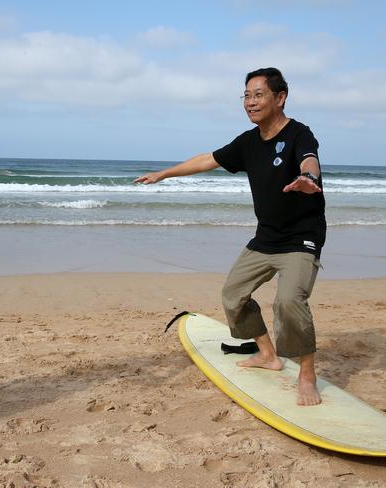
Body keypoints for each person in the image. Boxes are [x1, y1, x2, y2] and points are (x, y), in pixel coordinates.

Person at [135, 67, 325, 406]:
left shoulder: (299, 134)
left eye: (258, 95)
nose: (250, 102)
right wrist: (165, 173)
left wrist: (308, 180)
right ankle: (268, 355)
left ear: (280, 98)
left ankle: (306, 374)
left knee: (288, 301)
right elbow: (209, 159)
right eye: (246, 96)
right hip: (266, 237)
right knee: (233, 295)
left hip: (300, 237)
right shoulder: (248, 142)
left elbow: (310, 160)